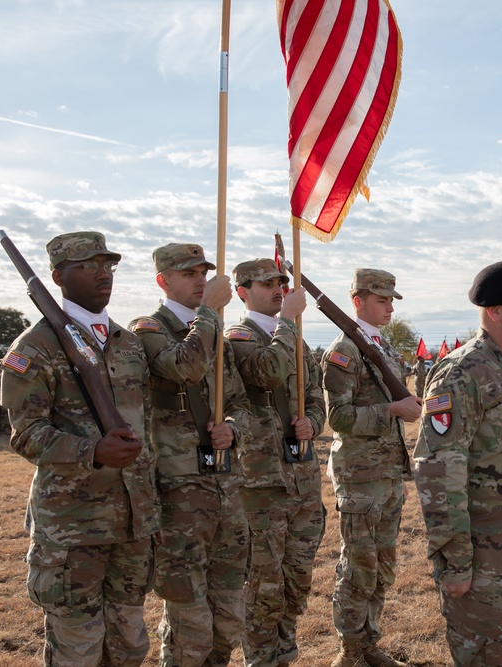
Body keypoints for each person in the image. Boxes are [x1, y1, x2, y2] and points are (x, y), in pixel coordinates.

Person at [0, 231, 158, 667]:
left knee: (129, 645)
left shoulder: (127, 344)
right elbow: (26, 433)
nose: (102, 274)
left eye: (107, 265)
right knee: (78, 648)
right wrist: (92, 450)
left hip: (132, 521)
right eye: (88, 266)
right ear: (57, 276)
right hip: (73, 526)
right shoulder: (34, 348)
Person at [413, 259, 502, 667]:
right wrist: (455, 561)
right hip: (488, 570)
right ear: (494, 311)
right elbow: (437, 472)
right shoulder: (463, 374)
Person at [129, 242, 251, 667]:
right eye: (188, 274)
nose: (201, 280)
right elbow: (184, 367)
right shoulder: (147, 329)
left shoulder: (212, 330)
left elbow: (240, 403)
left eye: (203, 272)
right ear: (163, 281)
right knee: (189, 614)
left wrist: (232, 429)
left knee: (229, 611)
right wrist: (210, 315)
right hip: (178, 491)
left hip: (224, 485)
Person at [226, 258, 327, 666]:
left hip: (302, 477)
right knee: (263, 585)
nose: (278, 288)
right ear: (243, 292)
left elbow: (317, 395)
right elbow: (266, 373)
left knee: (297, 580)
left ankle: (284, 653)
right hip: (262, 483)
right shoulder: (238, 337)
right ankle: (262, 659)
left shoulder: (296, 340)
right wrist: (287, 322)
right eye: (266, 283)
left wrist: (313, 424)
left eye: (281, 281)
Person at [322, 268, 423, 667]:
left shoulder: (380, 345)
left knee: (383, 565)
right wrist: (392, 410)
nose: (389, 308)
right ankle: (349, 652)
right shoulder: (344, 350)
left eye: (392, 301)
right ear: (358, 301)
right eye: (382, 300)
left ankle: (370, 645)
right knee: (359, 565)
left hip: (387, 473)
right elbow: (339, 418)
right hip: (360, 476)